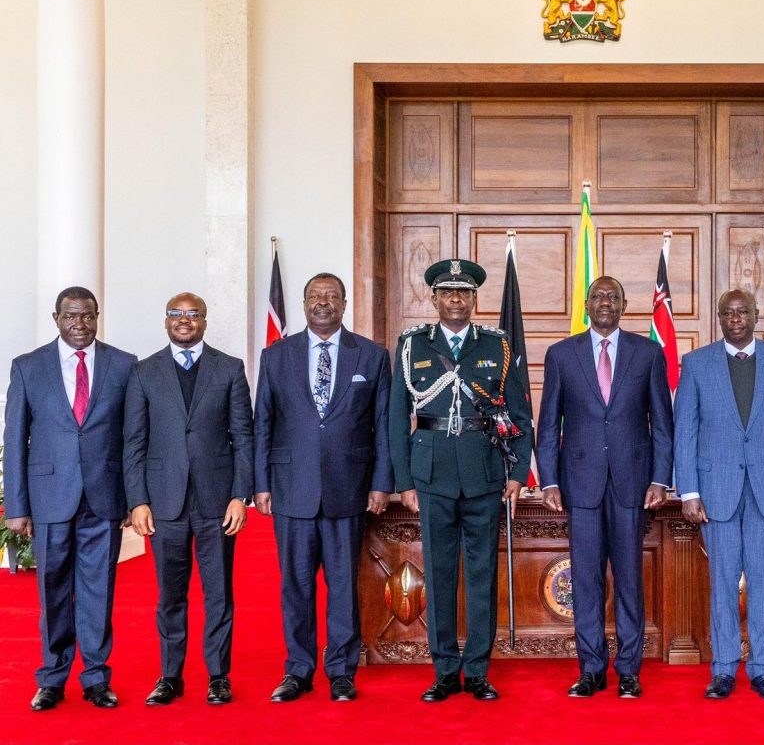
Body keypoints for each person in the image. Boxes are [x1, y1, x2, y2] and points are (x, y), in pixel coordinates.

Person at [389, 259, 533, 702]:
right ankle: (445, 670)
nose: (456, 299)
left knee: (482, 572)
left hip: (485, 471)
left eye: (464, 293)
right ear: (433, 299)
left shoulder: (498, 345)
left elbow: (522, 415)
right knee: (439, 573)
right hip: (430, 473)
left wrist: (516, 473)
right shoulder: (413, 345)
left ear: (475, 300)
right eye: (448, 293)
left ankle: (478, 670)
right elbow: (397, 416)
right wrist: (404, 481)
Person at [253, 272, 393, 703]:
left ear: (345, 303)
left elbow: (383, 426)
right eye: (315, 295)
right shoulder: (276, 355)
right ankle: (298, 669)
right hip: (291, 486)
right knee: (295, 584)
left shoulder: (370, 356)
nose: (323, 303)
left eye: (332, 296)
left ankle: (341, 671)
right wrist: (260, 483)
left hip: (348, 488)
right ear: (303, 302)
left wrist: (381, 484)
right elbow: (263, 424)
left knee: (343, 585)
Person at [535, 276, 674, 700]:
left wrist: (660, 477)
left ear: (625, 305)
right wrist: (551, 480)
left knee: (630, 579)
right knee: (586, 579)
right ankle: (591, 668)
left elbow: (663, 425)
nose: (606, 303)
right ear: (586, 304)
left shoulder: (648, 353)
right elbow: (548, 423)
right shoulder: (561, 354)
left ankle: (629, 670)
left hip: (633, 483)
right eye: (598, 296)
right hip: (580, 483)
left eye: (613, 297)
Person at [674, 289, 764, 701]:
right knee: (722, 581)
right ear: (718, 318)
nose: (735, 318)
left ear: (756, 315)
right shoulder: (696, 364)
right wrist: (689, 491)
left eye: (743, 312)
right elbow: (686, 431)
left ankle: (763, 669)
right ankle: (723, 669)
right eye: (727, 313)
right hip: (716, 491)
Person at [3, 287, 136, 711]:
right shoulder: (28, 367)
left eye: (88, 316)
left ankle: (96, 677)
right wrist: (17, 506)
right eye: (71, 316)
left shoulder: (122, 364)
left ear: (98, 316)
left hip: (104, 497)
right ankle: (52, 677)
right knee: (52, 589)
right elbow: (15, 437)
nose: (80, 324)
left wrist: (135, 500)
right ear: (56, 317)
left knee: (99, 590)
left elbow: (132, 438)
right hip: (49, 498)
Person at [122, 292, 254, 706]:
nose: (184, 320)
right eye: (176, 314)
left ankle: (218, 676)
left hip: (217, 503)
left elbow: (243, 438)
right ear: (165, 321)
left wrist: (240, 495)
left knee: (218, 594)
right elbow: (134, 443)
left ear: (205, 321)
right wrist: (138, 500)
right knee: (170, 595)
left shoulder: (230, 368)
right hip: (164, 503)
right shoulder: (143, 372)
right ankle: (170, 676)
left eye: (192, 314)